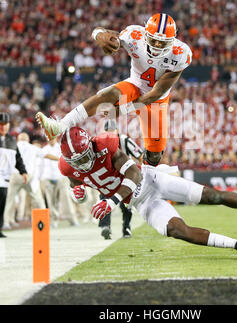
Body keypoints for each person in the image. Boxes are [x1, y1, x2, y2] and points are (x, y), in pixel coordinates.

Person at [58, 127, 237, 259]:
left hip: (152, 180)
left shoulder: (105, 144)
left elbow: (134, 175)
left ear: (90, 145)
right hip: (141, 202)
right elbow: (75, 186)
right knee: (177, 231)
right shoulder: (68, 167)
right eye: (76, 160)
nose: (83, 162)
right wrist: (78, 192)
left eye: (85, 156)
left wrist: (112, 201)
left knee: (213, 196)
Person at [36, 13, 192, 167]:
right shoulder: (134, 35)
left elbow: (155, 94)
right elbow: (106, 34)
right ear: (146, 34)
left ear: (172, 41)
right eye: (154, 40)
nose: (157, 45)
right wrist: (99, 35)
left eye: (162, 42)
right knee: (108, 94)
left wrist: (125, 109)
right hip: (135, 85)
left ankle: (146, 176)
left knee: (154, 156)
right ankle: (60, 125)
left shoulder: (181, 54)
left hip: (157, 100)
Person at [3, 132, 59, 229]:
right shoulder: (33, 148)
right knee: (38, 199)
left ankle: (6, 222)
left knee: (9, 200)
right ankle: (46, 222)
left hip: (15, 176)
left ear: (18, 140)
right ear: (28, 140)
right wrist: (60, 159)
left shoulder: (12, 146)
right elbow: (47, 155)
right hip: (29, 177)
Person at [98, 119, 143, 239]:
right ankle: (105, 226)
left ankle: (126, 227)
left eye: (112, 131)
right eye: (108, 131)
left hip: (125, 177)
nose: (110, 133)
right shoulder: (100, 142)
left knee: (127, 204)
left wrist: (139, 171)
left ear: (117, 131)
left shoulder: (124, 140)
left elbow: (140, 155)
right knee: (104, 199)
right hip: (108, 178)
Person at [40, 138, 79, 227]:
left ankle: (72, 219)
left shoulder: (61, 148)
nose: (51, 139)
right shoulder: (44, 149)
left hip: (61, 177)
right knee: (51, 201)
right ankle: (54, 221)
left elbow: (68, 163)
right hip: (48, 176)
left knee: (66, 199)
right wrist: (40, 178)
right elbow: (40, 165)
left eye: (52, 137)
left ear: (56, 138)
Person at [0, 113, 28, 238]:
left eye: (5, 124)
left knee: (2, 202)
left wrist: (23, 171)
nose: (3, 127)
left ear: (8, 125)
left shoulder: (11, 140)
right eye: (0, 125)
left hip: (5, 177)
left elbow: (17, 157)